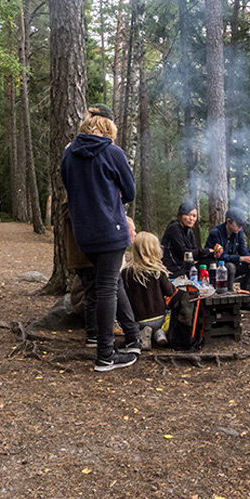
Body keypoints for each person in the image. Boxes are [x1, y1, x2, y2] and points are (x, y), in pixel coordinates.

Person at [61, 103, 138, 372]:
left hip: (84, 234)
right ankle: (105, 355)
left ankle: (133, 338)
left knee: (111, 282)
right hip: (110, 231)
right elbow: (130, 192)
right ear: (109, 126)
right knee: (107, 287)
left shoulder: (70, 153)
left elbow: (69, 185)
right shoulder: (112, 152)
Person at [122, 231, 176, 348]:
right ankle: (160, 333)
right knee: (171, 314)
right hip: (159, 317)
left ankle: (144, 334)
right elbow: (170, 292)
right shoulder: (157, 271)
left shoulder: (126, 272)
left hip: (138, 320)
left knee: (142, 325)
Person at [205, 207, 250, 312]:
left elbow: (242, 249)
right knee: (230, 267)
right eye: (238, 225)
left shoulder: (238, 232)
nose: (240, 228)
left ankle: (246, 300)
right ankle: (229, 298)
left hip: (231, 263)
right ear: (228, 221)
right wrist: (240, 258)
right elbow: (220, 256)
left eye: (242, 225)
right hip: (216, 267)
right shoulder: (216, 233)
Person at [161, 201, 220, 278]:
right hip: (174, 268)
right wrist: (206, 251)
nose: (191, 218)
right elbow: (184, 253)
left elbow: (195, 253)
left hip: (187, 267)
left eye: (194, 216)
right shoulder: (174, 228)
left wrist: (212, 253)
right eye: (188, 215)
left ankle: (212, 283)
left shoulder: (189, 232)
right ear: (180, 215)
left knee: (211, 262)